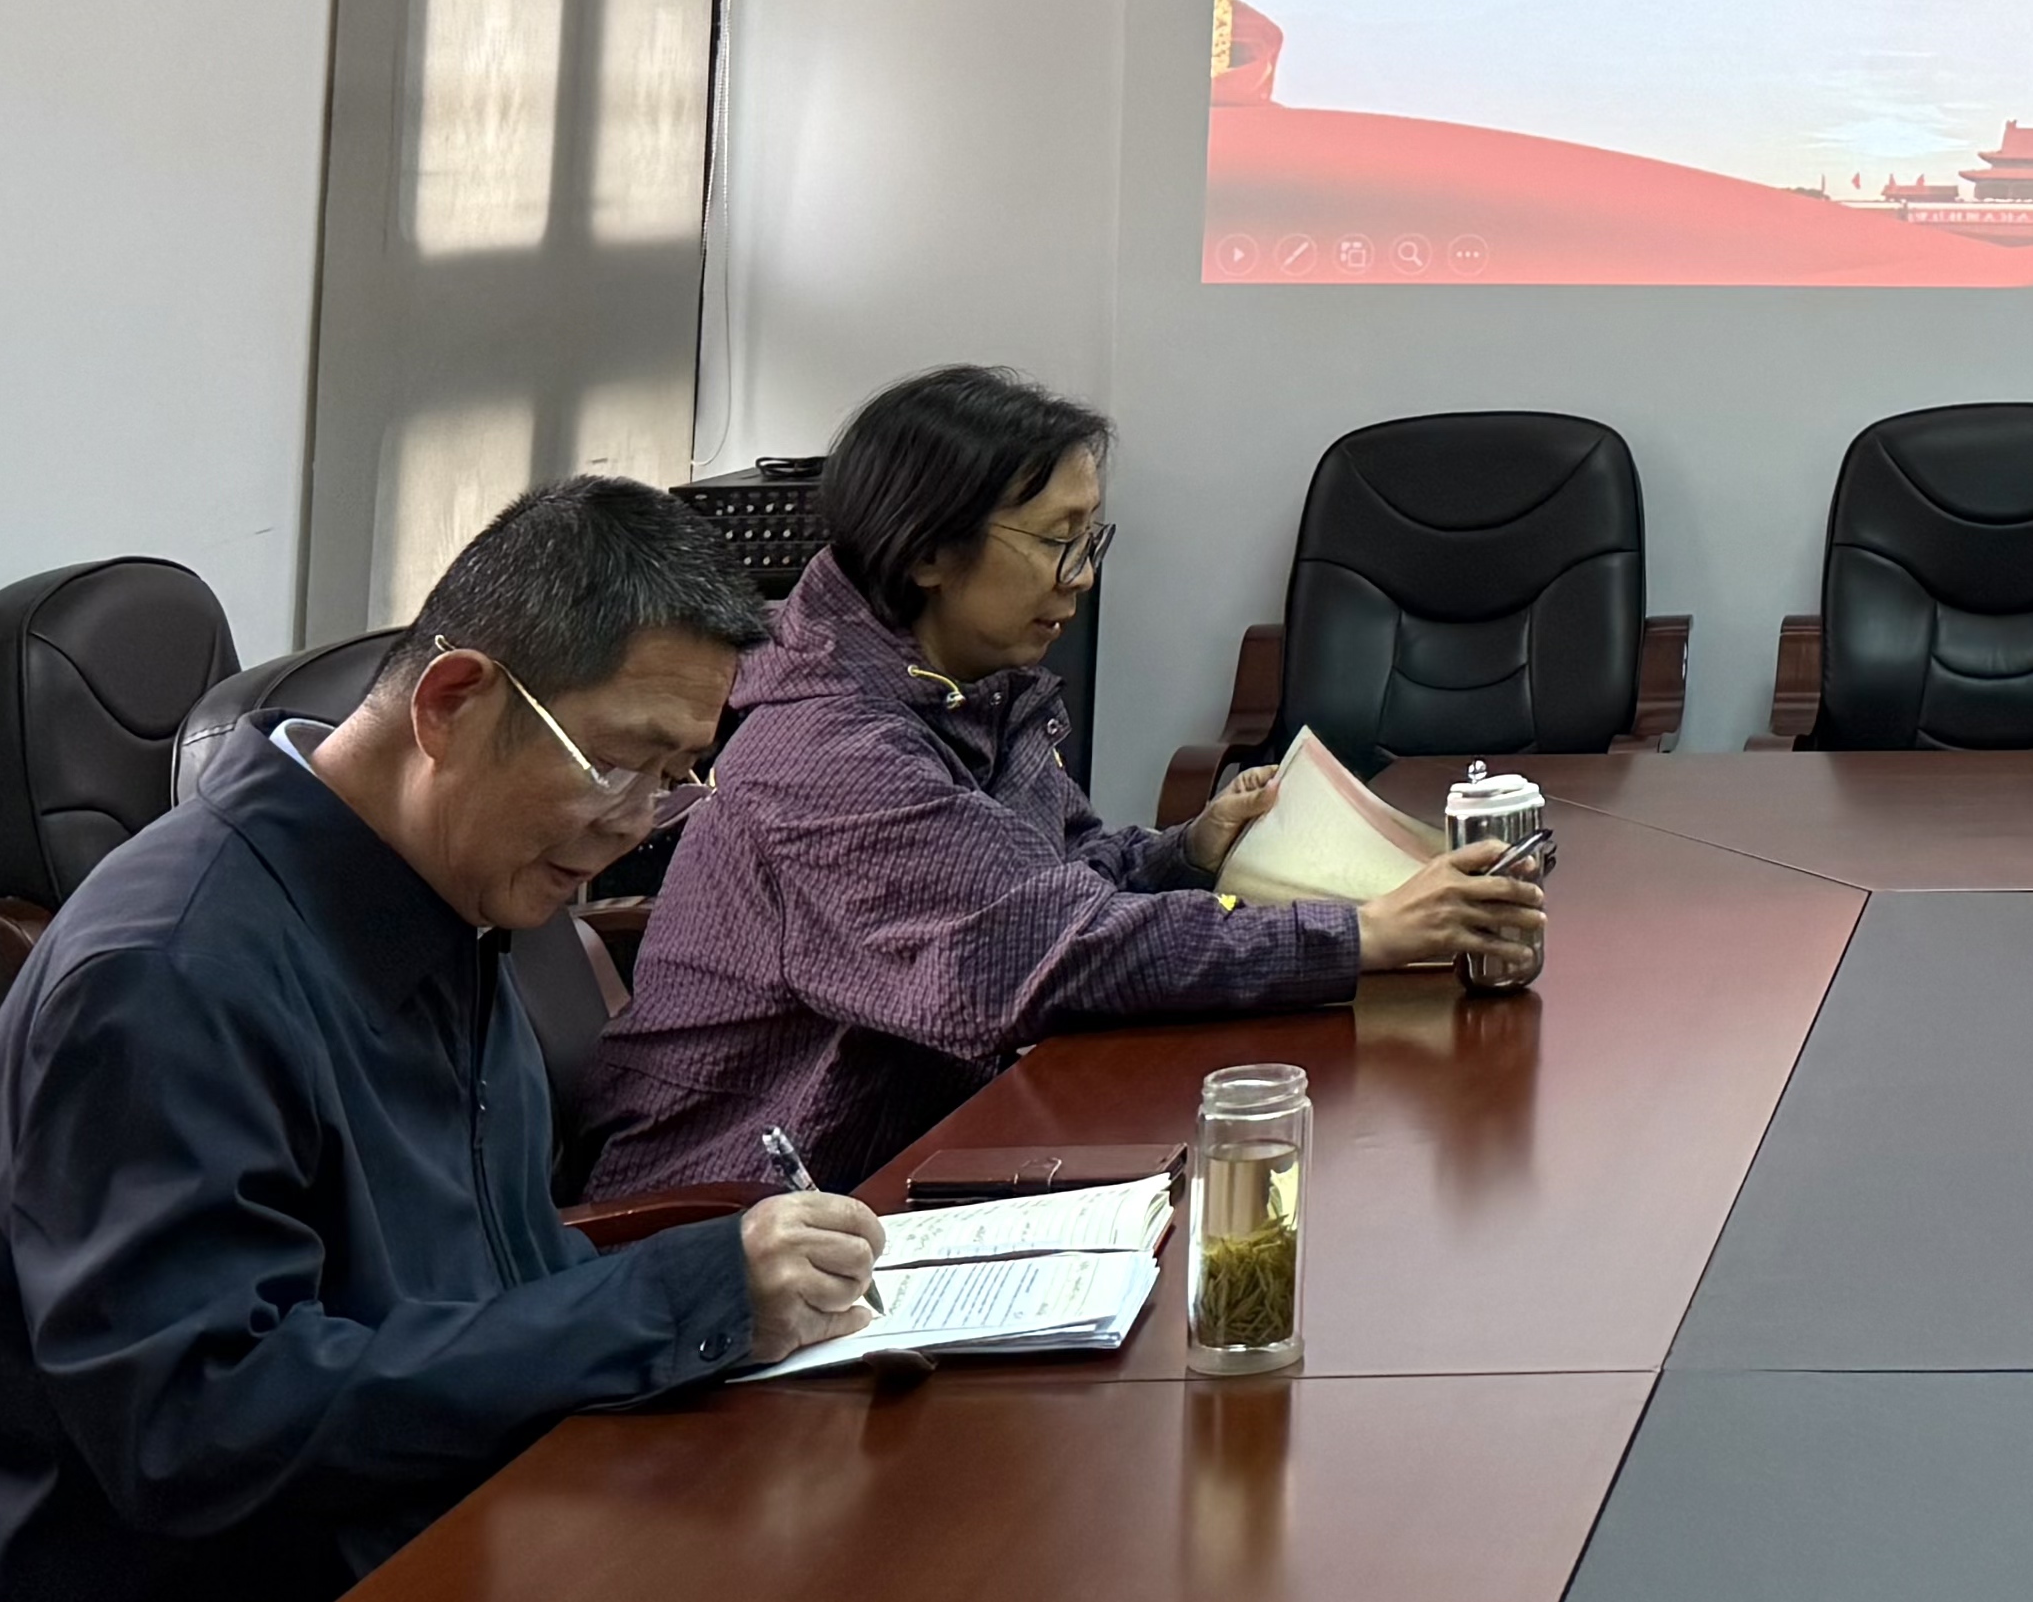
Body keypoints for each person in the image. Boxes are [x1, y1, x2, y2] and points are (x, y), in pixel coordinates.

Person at [0, 480, 888, 1602]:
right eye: (620, 763)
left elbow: (485, 1281)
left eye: (676, 779)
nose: (636, 823)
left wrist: (712, 1312)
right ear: (454, 701)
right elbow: (202, 1426)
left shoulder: (449, 893)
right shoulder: (172, 971)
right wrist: (671, 1304)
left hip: (466, 1516)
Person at [588, 366, 1541, 1197]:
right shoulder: (828, 749)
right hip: (743, 1216)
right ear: (928, 552)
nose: (1080, 576)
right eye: (1058, 539)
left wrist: (1185, 850)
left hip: (903, 1156)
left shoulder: (967, 691)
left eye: (1091, 538)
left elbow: (1054, 874)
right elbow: (1051, 950)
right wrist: (1363, 935)